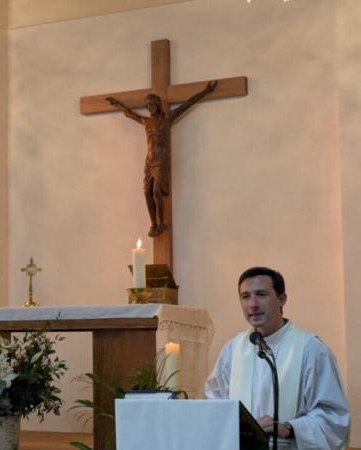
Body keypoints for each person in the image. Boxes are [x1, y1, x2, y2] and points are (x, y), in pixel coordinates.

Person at [205, 267, 349, 450]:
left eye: (261, 294)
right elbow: (216, 404)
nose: (253, 304)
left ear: (282, 299)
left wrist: (289, 428)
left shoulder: (311, 351)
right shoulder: (233, 350)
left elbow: (333, 417)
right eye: (245, 296)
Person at [106, 80, 217, 237]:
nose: (150, 108)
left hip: (162, 161)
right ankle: (153, 224)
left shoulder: (167, 118)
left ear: (158, 105)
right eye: (147, 106)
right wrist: (117, 105)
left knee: (157, 191)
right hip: (149, 161)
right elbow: (131, 114)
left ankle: (162, 223)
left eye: (152, 105)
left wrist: (205, 92)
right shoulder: (147, 121)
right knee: (146, 192)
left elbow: (188, 104)